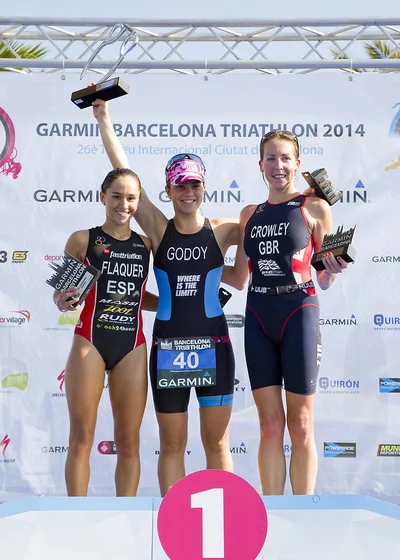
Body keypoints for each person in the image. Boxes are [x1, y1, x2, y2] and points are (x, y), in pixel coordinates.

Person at [93, 100, 240, 496]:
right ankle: (175, 525)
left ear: (204, 186)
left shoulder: (226, 228)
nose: (188, 192)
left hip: (214, 345)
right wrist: (104, 119)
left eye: (194, 184)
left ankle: (221, 529)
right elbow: (123, 171)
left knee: (217, 444)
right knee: (172, 444)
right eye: (180, 185)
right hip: (169, 348)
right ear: (168, 189)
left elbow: (272, 232)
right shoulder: (158, 228)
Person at [223, 130, 349, 495]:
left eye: (285, 158)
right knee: (269, 425)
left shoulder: (314, 208)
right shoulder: (250, 214)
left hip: (299, 310)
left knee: (302, 423)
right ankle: (273, 512)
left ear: (298, 164)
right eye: (271, 159)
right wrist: (201, 267)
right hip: (259, 313)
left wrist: (334, 267)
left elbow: (324, 277)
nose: (278, 166)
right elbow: (240, 275)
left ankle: (303, 510)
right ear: (260, 164)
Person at [53, 167, 157, 496]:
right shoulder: (83, 238)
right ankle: (76, 517)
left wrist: (176, 304)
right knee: (81, 438)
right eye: (116, 196)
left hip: (132, 345)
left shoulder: (146, 243)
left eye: (130, 198)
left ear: (138, 202)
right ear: (102, 197)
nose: (123, 204)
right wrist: (65, 300)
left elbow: (141, 296)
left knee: (129, 443)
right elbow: (61, 295)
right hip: (91, 342)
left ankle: (126, 518)